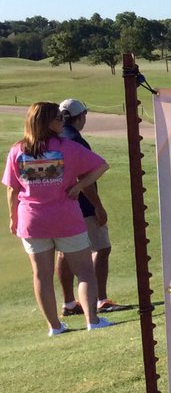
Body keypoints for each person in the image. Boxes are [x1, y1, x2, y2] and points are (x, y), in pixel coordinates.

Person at [4, 102, 112, 335]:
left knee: (41, 275)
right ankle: (92, 320)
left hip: (32, 220)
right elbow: (101, 165)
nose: (62, 122)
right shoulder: (67, 147)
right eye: (58, 118)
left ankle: (55, 326)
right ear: (48, 122)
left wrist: (12, 217)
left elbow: (12, 189)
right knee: (84, 271)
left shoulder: (18, 150)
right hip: (66, 218)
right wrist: (79, 186)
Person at [55, 100, 121, 317]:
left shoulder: (55, 140)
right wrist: (98, 207)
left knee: (64, 253)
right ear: (80, 116)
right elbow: (83, 179)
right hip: (83, 207)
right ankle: (100, 299)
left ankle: (69, 303)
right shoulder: (76, 141)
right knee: (101, 248)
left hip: (60, 206)